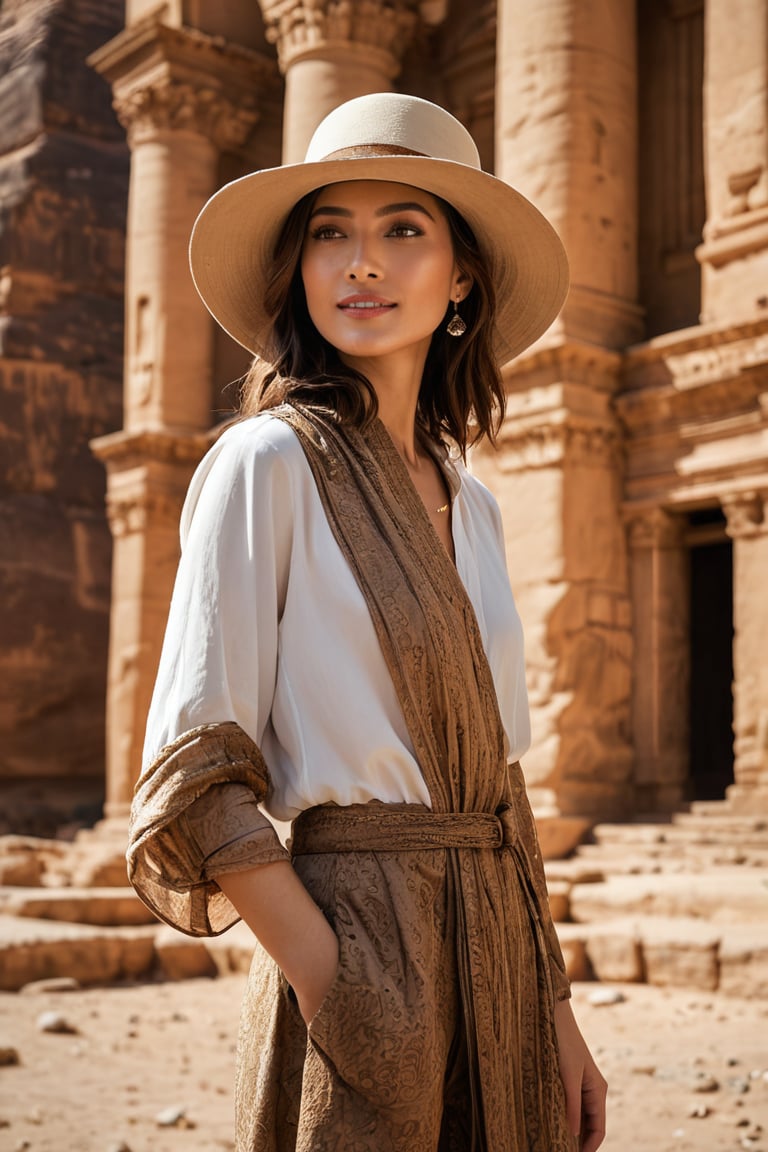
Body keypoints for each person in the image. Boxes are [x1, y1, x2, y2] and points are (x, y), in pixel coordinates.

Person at [127, 92, 607, 1152]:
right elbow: (194, 775)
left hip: (505, 973)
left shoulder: (471, 501)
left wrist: (558, 1015)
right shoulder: (268, 464)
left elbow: (501, 788)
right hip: (357, 945)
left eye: (403, 230)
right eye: (329, 234)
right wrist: (344, 989)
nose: (361, 264)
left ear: (462, 278)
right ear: (299, 272)